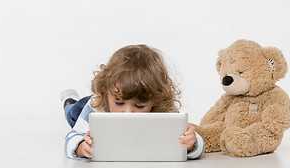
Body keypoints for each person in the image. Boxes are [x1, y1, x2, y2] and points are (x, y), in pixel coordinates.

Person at [61, 44, 204, 160]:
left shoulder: (165, 110)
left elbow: (199, 146)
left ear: (155, 100)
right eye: (119, 103)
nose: (127, 112)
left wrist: (191, 144)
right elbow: (71, 138)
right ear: (106, 93)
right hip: (82, 108)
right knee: (72, 112)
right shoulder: (96, 105)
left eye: (139, 106)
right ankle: (69, 100)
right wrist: (80, 147)